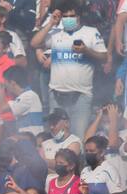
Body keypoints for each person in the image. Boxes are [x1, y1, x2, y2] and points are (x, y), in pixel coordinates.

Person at [30, 1, 107, 137]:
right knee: (56, 137)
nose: (68, 19)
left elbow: (104, 57)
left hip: (81, 96)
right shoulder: (56, 34)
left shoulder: (90, 32)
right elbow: (34, 43)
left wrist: (86, 51)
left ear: (79, 17)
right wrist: (51, 23)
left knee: (78, 136)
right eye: (65, 16)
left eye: (72, 16)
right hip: (57, 95)